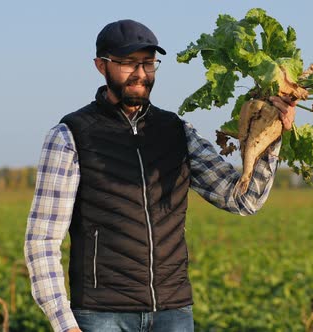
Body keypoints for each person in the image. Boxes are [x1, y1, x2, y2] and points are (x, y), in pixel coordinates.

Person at [24, 19, 296, 332]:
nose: (140, 74)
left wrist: (270, 134)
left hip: (173, 312)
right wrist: (64, 324)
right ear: (101, 66)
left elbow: (244, 200)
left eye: (149, 63)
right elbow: (42, 240)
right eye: (128, 63)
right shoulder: (71, 135)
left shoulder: (177, 132)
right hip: (101, 316)